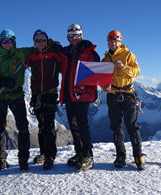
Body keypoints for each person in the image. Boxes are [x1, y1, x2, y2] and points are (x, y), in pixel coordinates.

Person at [57, 24, 100, 171]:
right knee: (73, 123)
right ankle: (79, 152)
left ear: (81, 36)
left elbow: (96, 74)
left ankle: (88, 155)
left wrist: (84, 87)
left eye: (76, 35)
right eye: (71, 36)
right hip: (69, 93)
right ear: (67, 37)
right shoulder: (67, 53)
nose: (74, 38)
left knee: (82, 123)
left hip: (82, 94)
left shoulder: (89, 52)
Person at [101, 30, 145, 170]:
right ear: (108, 43)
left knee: (132, 127)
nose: (113, 44)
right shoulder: (105, 60)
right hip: (113, 95)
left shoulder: (128, 54)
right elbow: (101, 80)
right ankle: (121, 155)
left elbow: (137, 71)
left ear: (119, 42)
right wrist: (104, 88)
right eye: (110, 42)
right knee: (116, 127)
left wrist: (124, 67)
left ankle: (138, 156)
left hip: (128, 94)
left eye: (115, 41)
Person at [25, 29, 66, 170]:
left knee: (48, 126)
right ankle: (43, 153)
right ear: (34, 43)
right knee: (41, 126)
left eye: (43, 39)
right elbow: (17, 63)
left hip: (50, 94)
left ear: (47, 41)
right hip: (36, 95)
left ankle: (50, 156)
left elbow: (67, 62)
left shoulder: (55, 54)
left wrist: (59, 47)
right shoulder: (31, 55)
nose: (40, 42)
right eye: (37, 40)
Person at [0, 29, 32, 171]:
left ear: (14, 41)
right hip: (1, 96)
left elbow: (39, 46)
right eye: (4, 41)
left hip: (17, 95)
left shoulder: (21, 53)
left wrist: (51, 43)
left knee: (23, 127)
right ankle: (1, 159)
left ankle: (23, 158)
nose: (7, 44)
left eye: (10, 41)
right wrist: (2, 80)